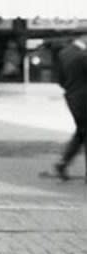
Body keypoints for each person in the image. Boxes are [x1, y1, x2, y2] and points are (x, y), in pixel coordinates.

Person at [50, 35, 87, 181]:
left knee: (81, 133)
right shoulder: (83, 56)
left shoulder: (64, 53)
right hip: (84, 100)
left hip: (72, 98)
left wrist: (72, 89)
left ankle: (63, 163)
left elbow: (60, 79)